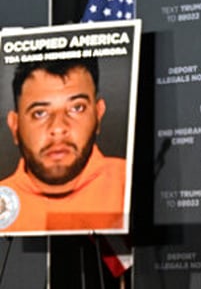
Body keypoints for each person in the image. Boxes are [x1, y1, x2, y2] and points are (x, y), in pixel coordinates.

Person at [0, 58, 126, 233]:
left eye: (77, 108)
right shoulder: (4, 197)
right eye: (40, 113)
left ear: (98, 115)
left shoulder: (130, 183)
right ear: (15, 125)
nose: (58, 128)